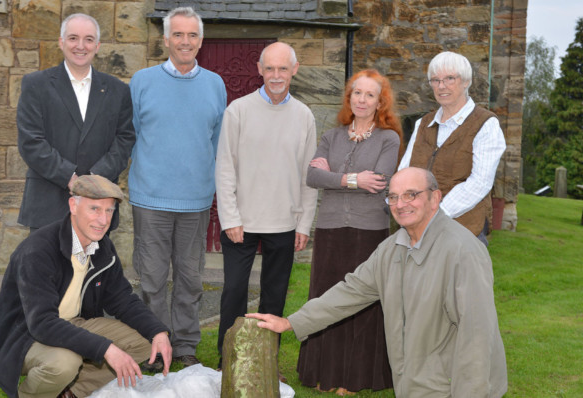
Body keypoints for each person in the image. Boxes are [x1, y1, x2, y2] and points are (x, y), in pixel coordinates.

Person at [248, 167, 509, 398]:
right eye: (393, 197)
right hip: (414, 384)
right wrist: (292, 322)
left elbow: (477, 335)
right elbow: (351, 291)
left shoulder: (463, 251)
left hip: (452, 386)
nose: (400, 204)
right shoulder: (391, 249)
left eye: (411, 194)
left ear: (435, 198)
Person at [0, 174, 173, 398]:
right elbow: (41, 323)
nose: (103, 220)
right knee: (65, 363)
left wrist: (158, 332)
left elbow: (122, 298)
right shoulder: (38, 250)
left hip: (73, 323)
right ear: (73, 205)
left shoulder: (103, 247)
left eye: (109, 210)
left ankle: (70, 392)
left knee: (143, 345)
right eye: (95, 209)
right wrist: (106, 349)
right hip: (23, 336)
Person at [127, 7, 227, 370]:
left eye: (192, 35)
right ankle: (155, 344)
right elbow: (132, 133)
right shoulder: (141, 81)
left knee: (190, 278)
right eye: (178, 35)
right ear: (165, 39)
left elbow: (217, 141)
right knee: (152, 279)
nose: (185, 41)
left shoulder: (215, 84)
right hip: (150, 197)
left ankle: (185, 345)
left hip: (196, 200)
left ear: (201, 40)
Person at [214, 42, 318, 372]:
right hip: (240, 222)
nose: (276, 75)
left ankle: (265, 360)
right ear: (259, 70)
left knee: (274, 297)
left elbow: (309, 175)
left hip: (284, 223)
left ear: (295, 70)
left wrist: (304, 224)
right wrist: (229, 216)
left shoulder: (304, 116)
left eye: (282, 69)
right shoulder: (238, 111)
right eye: (270, 69)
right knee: (233, 292)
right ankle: (227, 360)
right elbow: (225, 167)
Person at [299, 69, 402, 395]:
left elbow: (380, 181)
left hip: (368, 230)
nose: (362, 99)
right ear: (350, 98)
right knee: (326, 298)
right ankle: (323, 373)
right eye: (357, 93)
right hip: (330, 229)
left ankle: (354, 378)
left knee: (361, 301)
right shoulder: (332, 137)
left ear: (380, 101)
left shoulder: (389, 138)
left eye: (370, 95)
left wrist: (336, 176)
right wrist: (354, 180)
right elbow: (313, 178)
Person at [17, 13, 135, 232]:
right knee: (47, 266)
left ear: (97, 46)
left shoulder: (118, 90)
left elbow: (125, 139)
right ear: (61, 42)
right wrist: (70, 179)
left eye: (88, 39)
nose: (81, 46)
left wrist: (93, 181)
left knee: (92, 267)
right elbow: (31, 141)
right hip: (47, 204)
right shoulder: (36, 85)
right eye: (73, 38)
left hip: (98, 205)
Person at [398, 51, 506, 245]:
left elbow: (479, 183)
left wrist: (435, 214)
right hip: (416, 228)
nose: (441, 86)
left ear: (466, 82)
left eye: (449, 78)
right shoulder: (423, 123)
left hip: (461, 232)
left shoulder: (485, 124)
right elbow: (405, 173)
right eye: (435, 80)